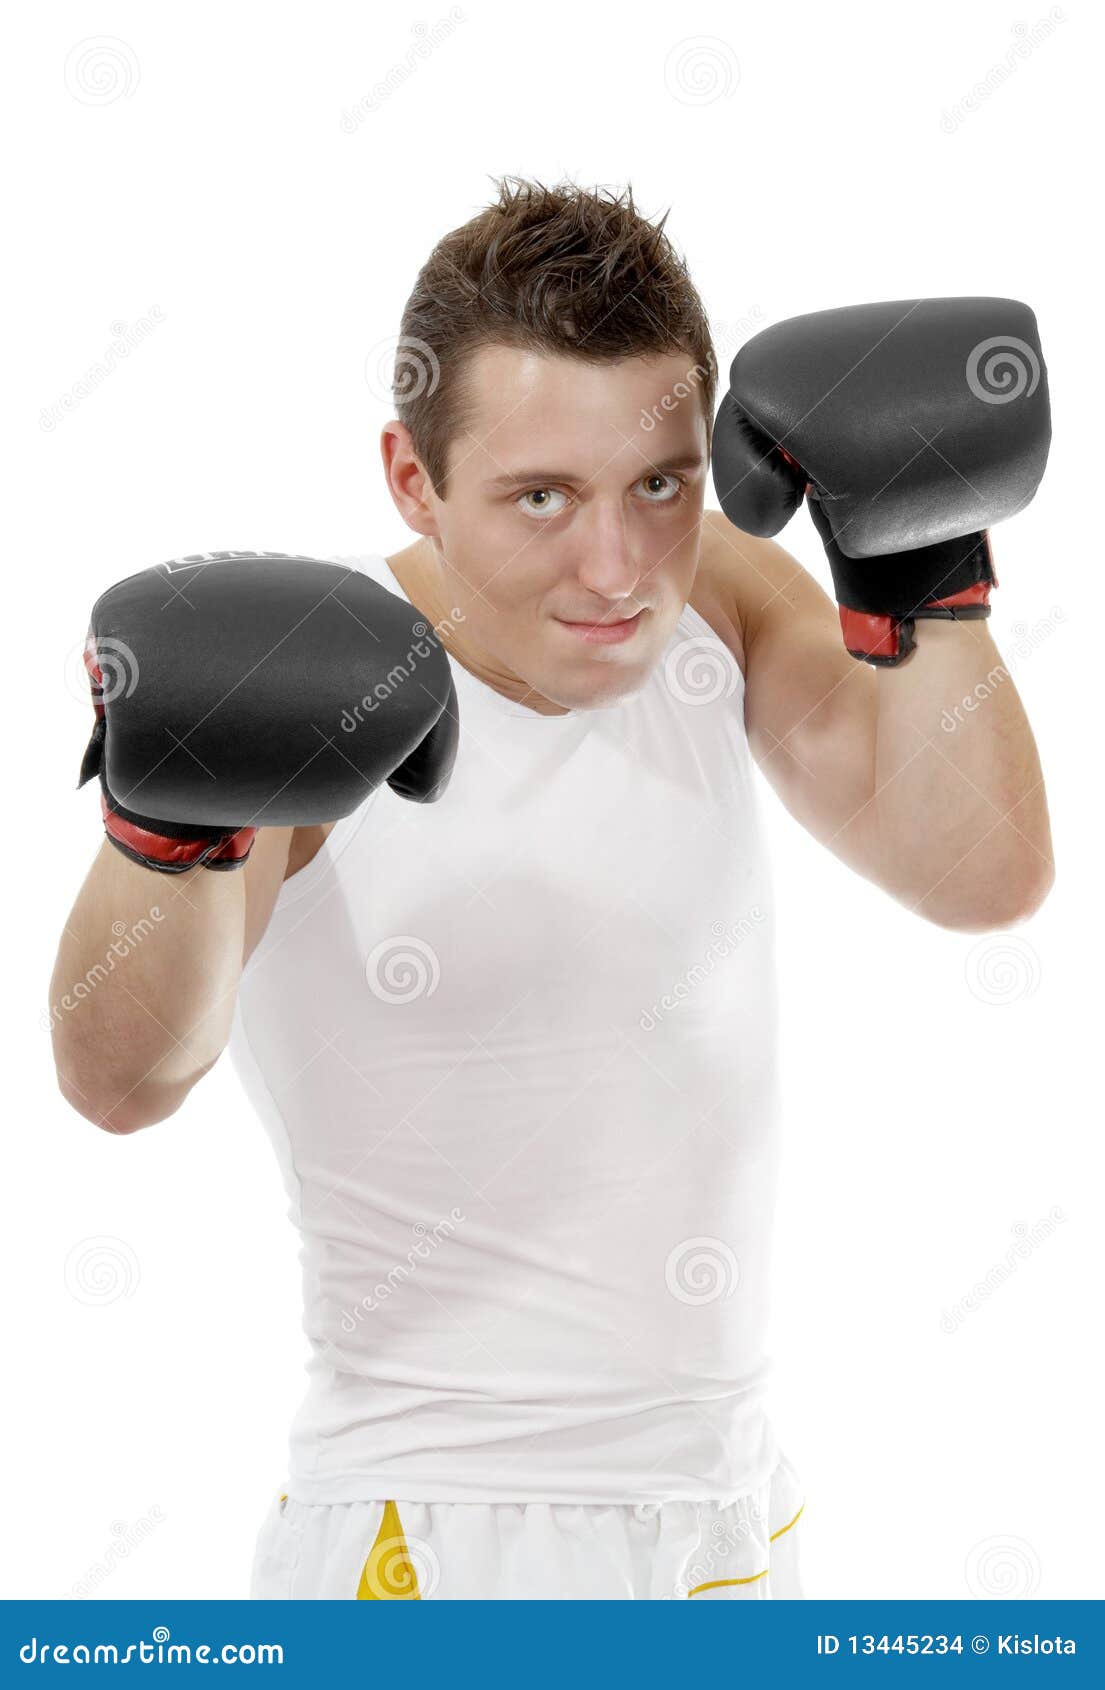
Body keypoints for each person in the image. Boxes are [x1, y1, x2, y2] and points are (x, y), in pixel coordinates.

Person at [50, 179, 1054, 1600]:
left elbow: (980, 872)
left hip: (723, 1512)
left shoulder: (710, 591)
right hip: (445, 1533)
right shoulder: (312, 682)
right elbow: (118, 1076)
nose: (614, 566)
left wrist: (923, 568)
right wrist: (160, 830)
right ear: (411, 478)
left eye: (657, 483)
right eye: (540, 498)